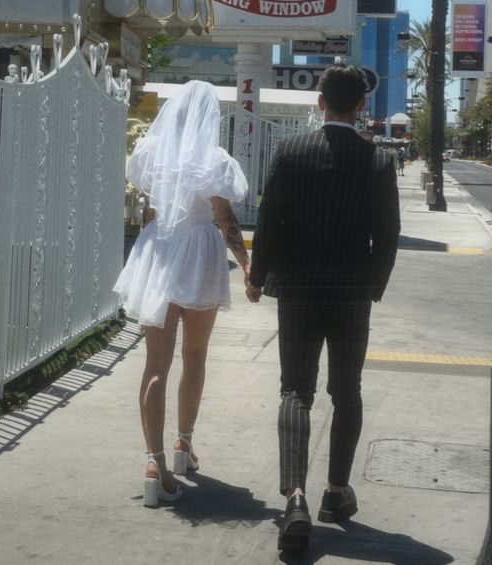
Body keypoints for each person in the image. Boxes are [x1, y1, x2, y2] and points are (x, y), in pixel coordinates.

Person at [246, 64, 400, 552]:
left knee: (295, 389)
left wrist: (257, 277)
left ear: (320, 103)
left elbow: (269, 223)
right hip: (352, 293)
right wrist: (372, 285)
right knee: (347, 390)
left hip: (298, 292)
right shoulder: (377, 162)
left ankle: (294, 497)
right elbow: (389, 234)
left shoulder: (291, 153)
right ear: (361, 107)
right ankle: (335, 493)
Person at [114, 80, 250, 507]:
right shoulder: (214, 161)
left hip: (158, 251)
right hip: (199, 255)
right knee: (195, 356)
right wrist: (247, 266)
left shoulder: (151, 155)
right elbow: (224, 218)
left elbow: (151, 211)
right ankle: (183, 441)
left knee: (156, 362)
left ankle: (155, 461)